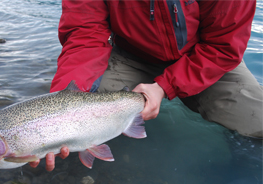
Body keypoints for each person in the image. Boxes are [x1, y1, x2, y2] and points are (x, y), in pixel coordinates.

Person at [30, 0, 263, 171]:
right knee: (77, 121)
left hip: (206, 56)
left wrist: (164, 86)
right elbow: (85, 34)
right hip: (130, 54)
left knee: (258, 124)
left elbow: (223, 47)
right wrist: (61, 104)